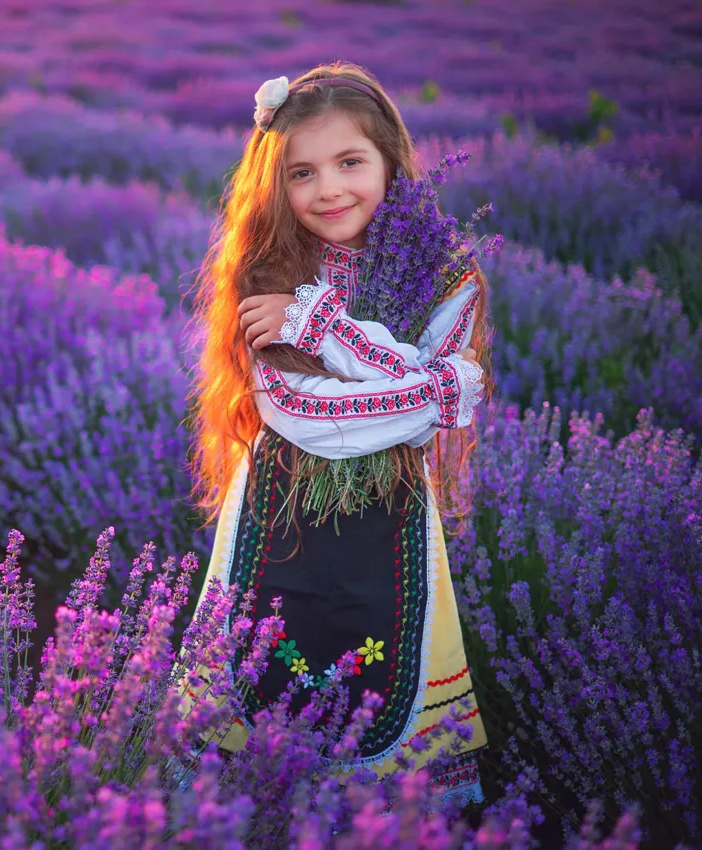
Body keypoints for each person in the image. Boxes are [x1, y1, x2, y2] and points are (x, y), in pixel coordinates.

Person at [177, 60, 489, 808]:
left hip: (396, 523)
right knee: (259, 667)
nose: (328, 190)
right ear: (274, 185)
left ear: (390, 160)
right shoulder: (268, 269)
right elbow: (304, 414)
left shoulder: (447, 273)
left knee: (391, 681)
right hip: (278, 512)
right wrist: (436, 384)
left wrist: (323, 328)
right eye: (301, 173)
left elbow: (440, 391)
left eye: (351, 162)